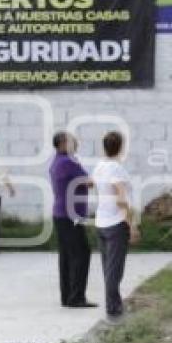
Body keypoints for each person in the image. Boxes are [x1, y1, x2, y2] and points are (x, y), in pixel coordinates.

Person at [92, 131, 140, 321]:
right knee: (115, 269)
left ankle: (114, 303)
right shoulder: (116, 169)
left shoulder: (99, 167)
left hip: (101, 222)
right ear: (121, 147)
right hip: (116, 223)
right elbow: (121, 198)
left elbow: (98, 191)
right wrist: (132, 225)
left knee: (108, 268)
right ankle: (113, 309)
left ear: (104, 147)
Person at [49, 131, 96, 308]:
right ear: (62, 143)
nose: (76, 143)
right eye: (72, 141)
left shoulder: (57, 161)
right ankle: (76, 297)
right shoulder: (69, 162)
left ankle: (67, 296)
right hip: (71, 215)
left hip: (61, 213)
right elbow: (89, 182)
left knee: (67, 255)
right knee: (81, 254)